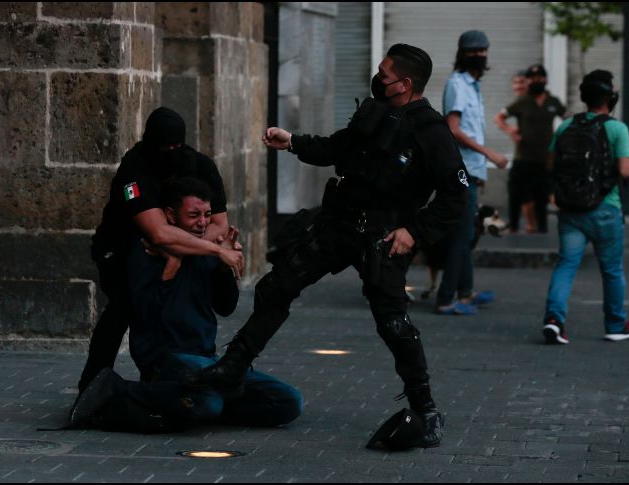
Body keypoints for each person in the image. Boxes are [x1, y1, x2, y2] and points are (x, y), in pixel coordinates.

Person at [180, 44, 469, 449]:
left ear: (405, 84)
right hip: (338, 226)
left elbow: (457, 196)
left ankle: (426, 409)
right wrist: (292, 142)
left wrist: (414, 232)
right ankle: (233, 366)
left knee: (393, 322)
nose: (377, 76)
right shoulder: (374, 111)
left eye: (385, 73)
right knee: (275, 287)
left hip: (382, 238)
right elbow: (338, 147)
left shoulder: (431, 130)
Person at [70, 177, 302, 431]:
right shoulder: (146, 252)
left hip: (208, 360)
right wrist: (171, 266)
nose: (202, 223)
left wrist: (224, 270)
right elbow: (143, 314)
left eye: (207, 215)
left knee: (288, 402)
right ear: (170, 215)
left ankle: (194, 404)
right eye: (194, 215)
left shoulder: (208, 251)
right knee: (209, 403)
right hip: (165, 360)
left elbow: (227, 306)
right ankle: (117, 389)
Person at [77, 107, 244, 394]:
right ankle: (92, 386)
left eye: (176, 146)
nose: (171, 152)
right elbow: (156, 232)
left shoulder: (200, 165)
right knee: (123, 307)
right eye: (164, 147)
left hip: (171, 248)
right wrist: (214, 251)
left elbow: (219, 226)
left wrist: (183, 247)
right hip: (123, 246)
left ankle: (174, 368)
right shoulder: (134, 168)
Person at [542, 69, 629, 345]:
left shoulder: (566, 126)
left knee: (566, 265)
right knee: (611, 269)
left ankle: (554, 320)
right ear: (611, 97)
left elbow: (550, 164)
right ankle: (615, 325)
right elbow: (625, 169)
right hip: (605, 209)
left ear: (584, 97)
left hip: (570, 210)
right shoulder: (617, 128)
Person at [434, 30, 507, 316]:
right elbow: (452, 129)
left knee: (466, 232)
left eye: (483, 51)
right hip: (460, 171)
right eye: (474, 51)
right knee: (461, 235)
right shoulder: (457, 84)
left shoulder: (472, 86)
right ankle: (446, 298)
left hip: (471, 171)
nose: (480, 56)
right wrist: (488, 154)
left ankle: (466, 291)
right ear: (463, 54)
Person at [495, 64, 566, 234]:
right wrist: (510, 131)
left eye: (540, 78)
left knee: (541, 197)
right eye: (532, 78)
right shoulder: (522, 102)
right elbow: (499, 117)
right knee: (516, 193)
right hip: (523, 158)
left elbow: (566, 118)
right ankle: (513, 227)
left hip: (544, 159)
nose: (536, 81)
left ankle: (540, 230)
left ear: (545, 79)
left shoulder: (553, 102)